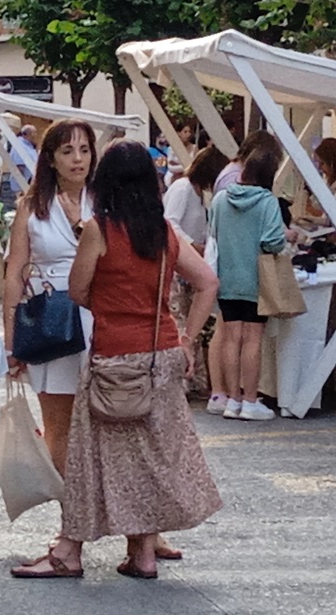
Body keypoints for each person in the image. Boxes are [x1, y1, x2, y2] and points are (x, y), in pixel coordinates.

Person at [47, 139, 222, 580]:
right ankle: (143, 554)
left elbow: (78, 289)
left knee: (99, 455)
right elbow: (207, 283)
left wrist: (107, 303)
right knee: (152, 456)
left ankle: (76, 547)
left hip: (114, 355)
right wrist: (185, 337)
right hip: (161, 353)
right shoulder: (163, 231)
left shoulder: (99, 229)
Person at [2, 119, 97, 575]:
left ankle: (141, 529)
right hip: (52, 317)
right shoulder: (31, 207)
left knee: (111, 423)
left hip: (99, 314)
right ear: (51, 158)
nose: (77, 158)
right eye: (67, 151)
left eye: (84, 149)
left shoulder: (106, 201)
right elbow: (15, 270)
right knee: (58, 426)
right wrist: (11, 338)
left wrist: (82, 228)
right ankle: (69, 522)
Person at [206, 130, 285, 415]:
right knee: (252, 339)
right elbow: (273, 241)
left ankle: (232, 399)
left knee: (230, 338)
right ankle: (251, 401)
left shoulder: (220, 200)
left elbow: (213, 233)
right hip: (255, 279)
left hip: (226, 278)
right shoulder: (267, 202)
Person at [163, 146, 229, 399]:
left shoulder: (199, 194)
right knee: (181, 323)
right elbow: (171, 222)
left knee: (194, 324)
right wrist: (192, 245)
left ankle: (195, 380)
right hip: (179, 265)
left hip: (191, 266)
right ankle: (182, 380)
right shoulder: (182, 189)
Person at [9, 124, 39, 196]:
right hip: (20, 187)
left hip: (28, 185)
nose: (35, 136)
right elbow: (19, 167)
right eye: (34, 133)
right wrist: (22, 187)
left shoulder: (29, 146)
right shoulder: (20, 145)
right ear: (26, 134)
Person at [165, 119, 196, 187]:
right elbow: (170, 167)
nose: (188, 134)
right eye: (185, 132)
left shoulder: (194, 148)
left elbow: (194, 166)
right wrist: (186, 167)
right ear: (179, 133)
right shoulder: (171, 149)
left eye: (189, 132)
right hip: (173, 180)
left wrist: (178, 165)